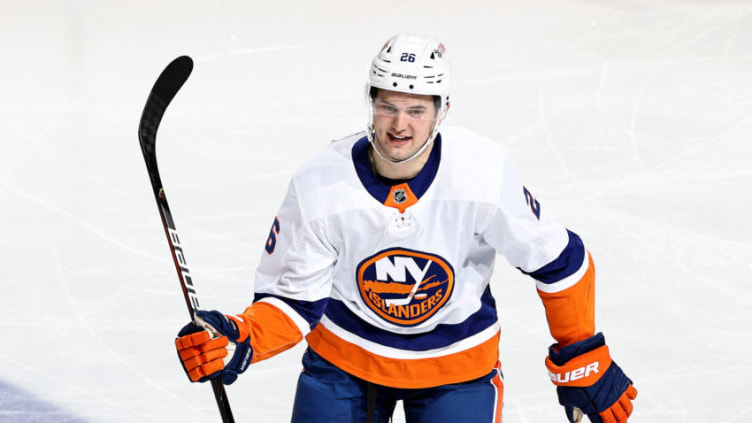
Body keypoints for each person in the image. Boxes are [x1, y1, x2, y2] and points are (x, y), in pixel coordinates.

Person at [175, 33, 638, 423]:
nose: (400, 125)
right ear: (371, 103)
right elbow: (293, 302)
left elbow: (559, 262)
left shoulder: (481, 174)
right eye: (389, 106)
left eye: (416, 110)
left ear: (442, 111)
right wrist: (238, 337)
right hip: (344, 362)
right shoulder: (321, 185)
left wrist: (581, 353)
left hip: (456, 369)